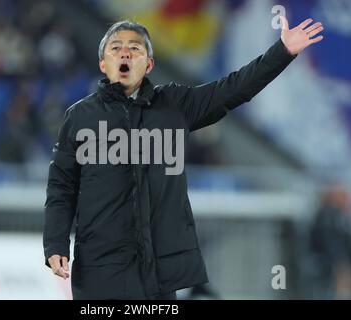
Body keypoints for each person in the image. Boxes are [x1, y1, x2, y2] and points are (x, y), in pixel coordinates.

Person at [43, 18, 324, 300]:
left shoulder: (174, 105)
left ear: (149, 65)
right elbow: (61, 186)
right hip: (99, 266)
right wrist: (55, 243)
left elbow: (234, 88)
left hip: (158, 270)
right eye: (116, 48)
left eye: (135, 48)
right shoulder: (80, 117)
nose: (125, 53)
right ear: (103, 64)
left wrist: (283, 51)